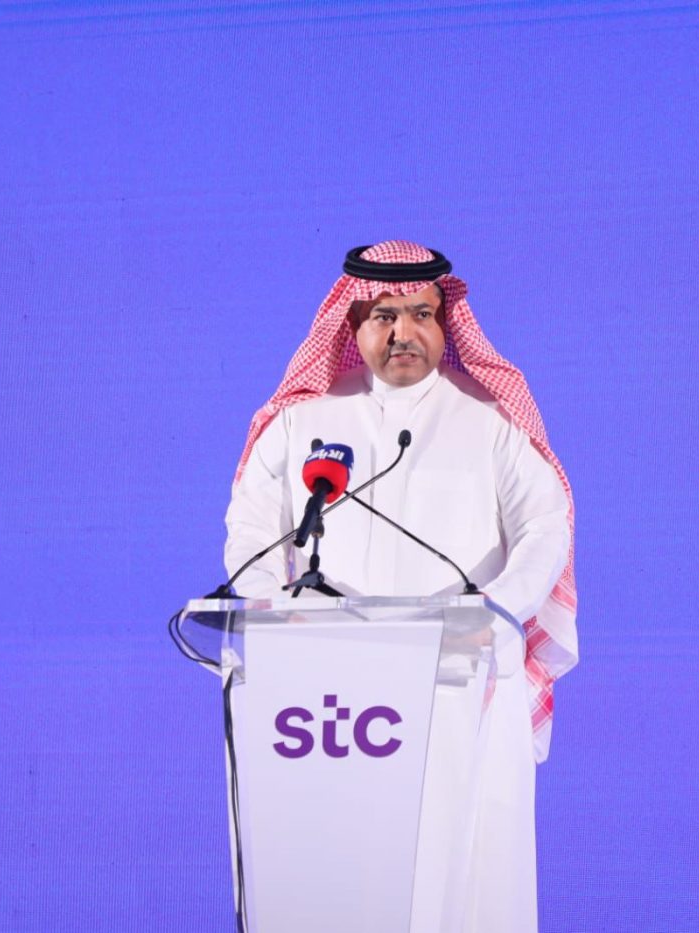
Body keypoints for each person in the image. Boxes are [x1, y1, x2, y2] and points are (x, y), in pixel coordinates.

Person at [223, 240, 577, 931]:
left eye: (421, 314)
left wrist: (496, 611)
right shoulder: (303, 419)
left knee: (465, 883)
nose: (403, 333)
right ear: (353, 324)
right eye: (384, 315)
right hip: (328, 696)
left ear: (446, 323)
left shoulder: (492, 419)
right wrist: (275, 610)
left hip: (459, 680)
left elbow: (546, 524)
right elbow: (250, 529)